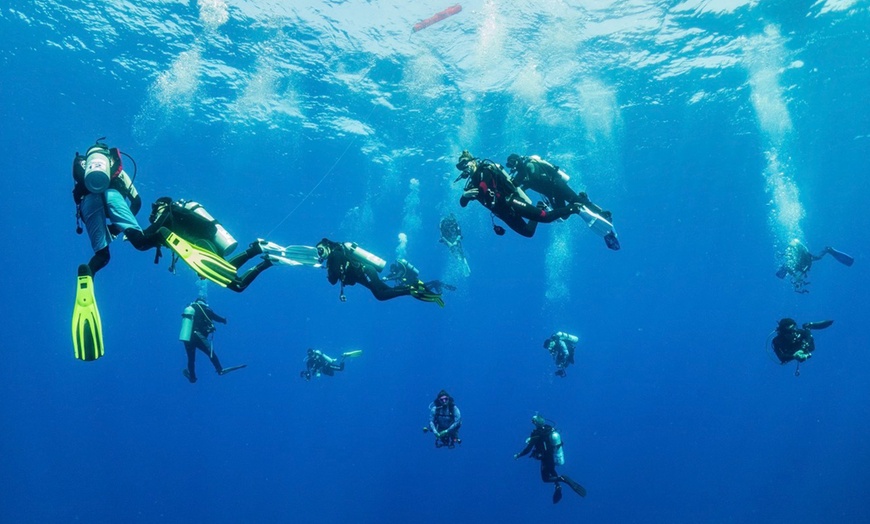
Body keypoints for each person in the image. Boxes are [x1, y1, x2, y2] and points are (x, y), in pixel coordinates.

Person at [148, 197, 319, 292]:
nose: (154, 214)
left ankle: (263, 257)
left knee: (237, 285)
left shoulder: (167, 215)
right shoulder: (176, 216)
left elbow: (149, 236)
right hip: (203, 246)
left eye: (155, 209)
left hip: (202, 247)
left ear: (161, 206)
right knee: (234, 278)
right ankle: (261, 254)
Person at [72, 140, 164, 276]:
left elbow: (78, 198)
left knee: (102, 256)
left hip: (88, 200)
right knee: (140, 242)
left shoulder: (85, 168)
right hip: (113, 195)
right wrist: (118, 228)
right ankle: (164, 234)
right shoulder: (113, 168)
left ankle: (87, 275)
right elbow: (137, 202)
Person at [454, 151, 582, 238]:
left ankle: (574, 207)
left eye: (466, 163)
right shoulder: (471, 185)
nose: (465, 167)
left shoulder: (485, 170)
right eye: (461, 166)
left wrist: (470, 194)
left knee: (545, 217)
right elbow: (462, 204)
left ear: (473, 161)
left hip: (511, 202)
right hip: (502, 213)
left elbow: (483, 187)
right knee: (528, 232)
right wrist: (464, 196)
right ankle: (540, 207)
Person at [506, 153, 620, 250]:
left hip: (557, 185)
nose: (512, 166)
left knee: (577, 202)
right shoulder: (522, 175)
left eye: (512, 163)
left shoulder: (529, 165)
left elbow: (535, 178)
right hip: (551, 193)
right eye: (510, 164)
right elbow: (515, 186)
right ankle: (582, 199)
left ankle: (602, 213)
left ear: (517, 160)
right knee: (563, 216)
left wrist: (524, 185)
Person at [315, 238, 444, 306]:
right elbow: (336, 279)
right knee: (385, 291)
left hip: (365, 271)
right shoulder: (332, 259)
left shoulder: (335, 255)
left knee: (380, 295)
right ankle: (415, 288)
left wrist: (329, 270)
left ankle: (410, 289)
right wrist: (328, 269)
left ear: (327, 247)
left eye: (320, 250)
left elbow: (334, 279)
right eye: (317, 252)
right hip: (365, 272)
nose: (319, 253)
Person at [514, 415, 586, 503]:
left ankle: (563, 479)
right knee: (551, 470)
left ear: (536, 423)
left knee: (545, 479)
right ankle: (557, 486)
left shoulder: (536, 434)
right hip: (552, 456)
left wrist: (518, 455)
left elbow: (528, 450)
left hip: (545, 459)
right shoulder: (549, 428)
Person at [178, 297, 246, 383]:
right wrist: (224, 320)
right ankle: (219, 369)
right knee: (211, 353)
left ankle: (192, 377)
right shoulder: (205, 309)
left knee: (191, 359)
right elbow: (216, 317)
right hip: (197, 335)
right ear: (204, 302)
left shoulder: (192, 308)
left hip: (187, 338)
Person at [776, 239, 854, 293]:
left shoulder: (790, 266)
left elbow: (794, 269)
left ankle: (828, 250)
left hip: (805, 258)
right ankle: (828, 250)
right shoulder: (792, 266)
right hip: (806, 258)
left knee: (817, 257)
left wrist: (797, 277)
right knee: (818, 257)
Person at [383, 259, 456, 294]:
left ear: (394, 268)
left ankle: (440, 285)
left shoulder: (401, 271)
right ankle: (438, 284)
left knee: (426, 288)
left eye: (392, 270)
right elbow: (392, 275)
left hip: (415, 283)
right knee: (426, 288)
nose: (392, 272)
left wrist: (387, 278)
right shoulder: (397, 271)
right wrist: (384, 279)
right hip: (413, 284)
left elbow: (397, 276)